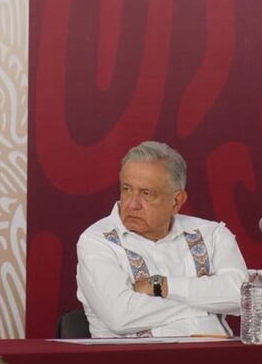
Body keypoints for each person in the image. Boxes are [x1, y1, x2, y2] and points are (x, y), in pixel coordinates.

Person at [75, 141, 248, 337]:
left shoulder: (212, 234)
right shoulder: (97, 241)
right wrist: (210, 305)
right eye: (126, 189)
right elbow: (121, 316)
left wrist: (162, 285)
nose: (132, 204)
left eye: (146, 193)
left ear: (177, 201)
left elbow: (242, 296)